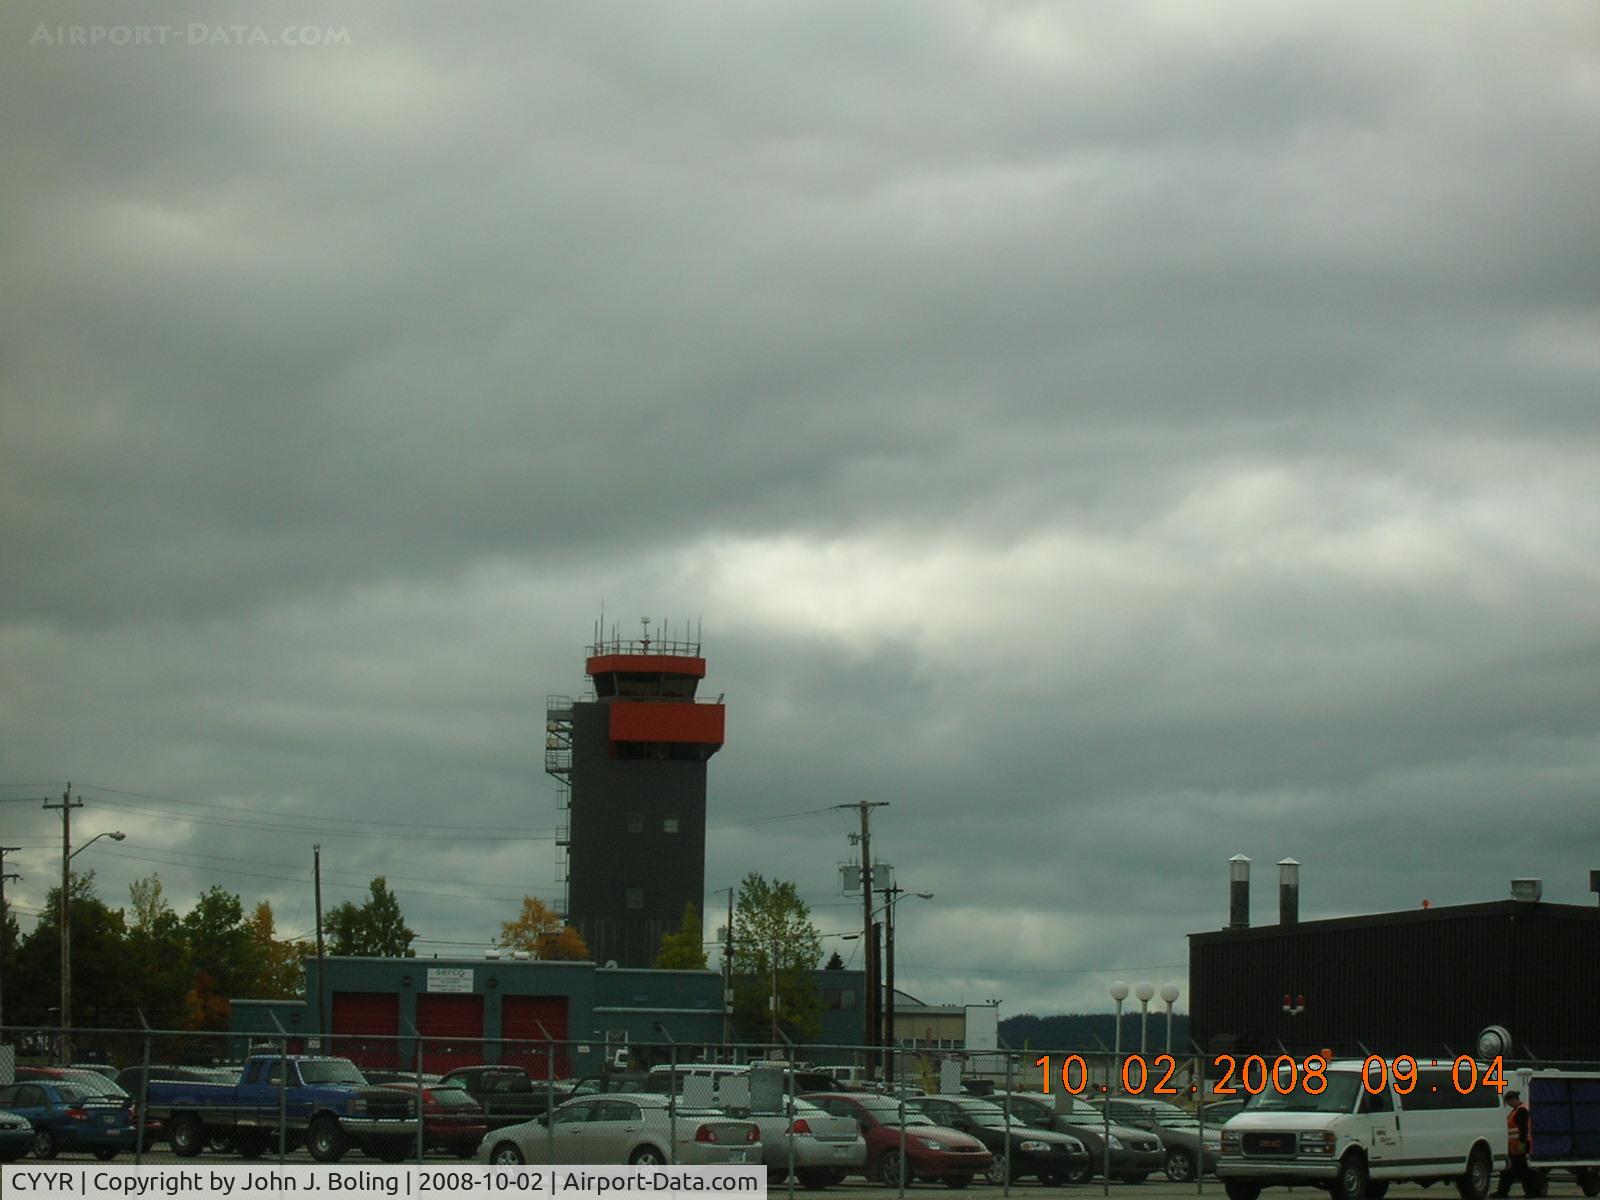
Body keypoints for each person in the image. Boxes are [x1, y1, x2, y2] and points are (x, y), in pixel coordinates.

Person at [1494, 1089, 1537, 1198]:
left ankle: (1502, 1192)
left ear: (1513, 1099)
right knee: (1523, 1171)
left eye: (1508, 1102)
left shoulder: (1521, 1111)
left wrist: (1522, 1143)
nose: (1508, 1104)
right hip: (1516, 1145)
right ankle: (1531, 1191)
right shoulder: (1516, 1110)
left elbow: (1523, 1129)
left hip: (1519, 1145)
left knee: (1510, 1171)